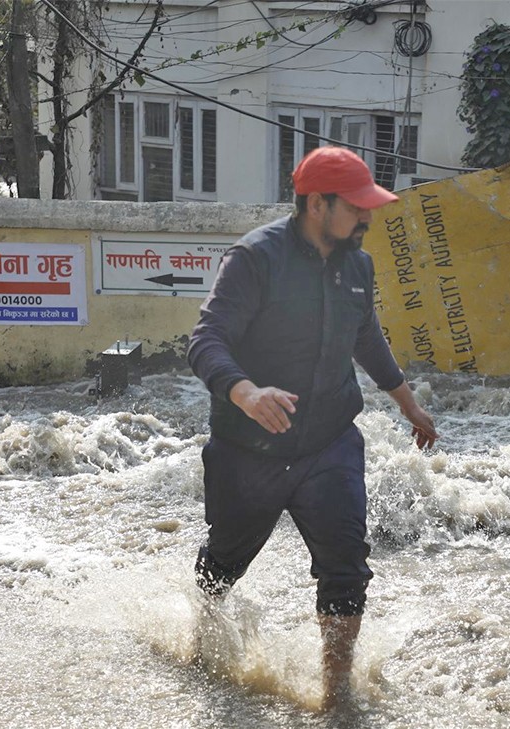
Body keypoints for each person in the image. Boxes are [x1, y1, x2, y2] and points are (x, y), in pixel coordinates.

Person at [187, 146, 438, 709]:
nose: (368, 219)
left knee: (346, 564)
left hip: (329, 441)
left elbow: (365, 337)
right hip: (250, 445)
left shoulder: (358, 264)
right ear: (318, 204)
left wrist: (407, 403)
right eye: (356, 208)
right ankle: (201, 634)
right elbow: (205, 341)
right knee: (225, 562)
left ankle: (337, 697)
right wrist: (246, 392)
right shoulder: (255, 258)